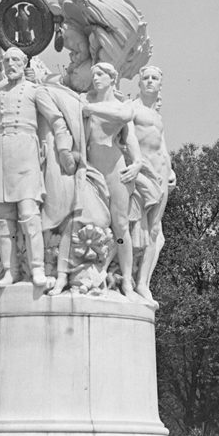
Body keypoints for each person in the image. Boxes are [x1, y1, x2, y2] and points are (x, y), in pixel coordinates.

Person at [0, 47, 76, 287]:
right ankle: (9, 270)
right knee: (2, 218)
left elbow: (56, 120)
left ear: (24, 62)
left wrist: (64, 148)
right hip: (0, 154)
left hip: (26, 151)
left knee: (29, 214)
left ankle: (37, 268)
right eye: (6, 61)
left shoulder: (35, 91)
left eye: (15, 60)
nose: (10, 64)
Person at [82, 63, 142, 302]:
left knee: (120, 225)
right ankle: (94, 270)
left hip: (114, 169)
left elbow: (129, 131)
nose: (95, 78)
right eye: (93, 75)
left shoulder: (120, 106)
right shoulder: (84, 102)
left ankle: (127, 279)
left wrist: (137, 163)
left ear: (112, 78)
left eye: (101, 75)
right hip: (89, 170)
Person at [130, 65, 175, 303]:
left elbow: (162, 145)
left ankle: (142, 283)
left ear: (160, 85)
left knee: (155, 231)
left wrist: (171, 168)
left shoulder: (157, 116)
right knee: (137, 228)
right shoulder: (133, 108)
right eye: (145, 78)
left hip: (161, 175)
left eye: (154, 78)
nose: (149, 81)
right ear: (139, 84)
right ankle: (129, 278)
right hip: (143, 172)